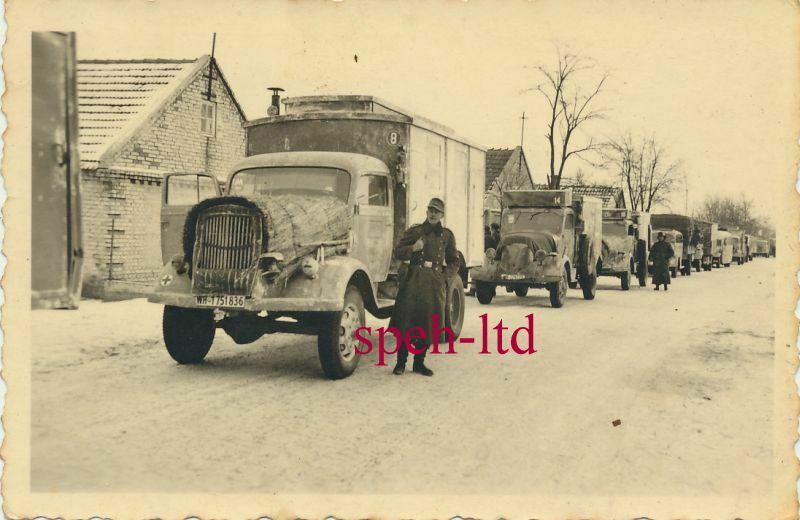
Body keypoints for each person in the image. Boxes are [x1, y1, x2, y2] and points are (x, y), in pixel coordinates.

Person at [389, 197, 459, 376]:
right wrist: (413, 248)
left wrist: (445, 277)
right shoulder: (416, 232)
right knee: (407, 321)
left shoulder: (447, 235)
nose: (433, 214)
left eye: (437, 211)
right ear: (426, 212)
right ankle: (400, 363)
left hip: (434, 282)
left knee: (427, 323)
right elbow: (397, 252)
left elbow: (454, 261)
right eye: (431, 210)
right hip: (413, 279)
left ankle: (419, 363)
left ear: (442, 215)